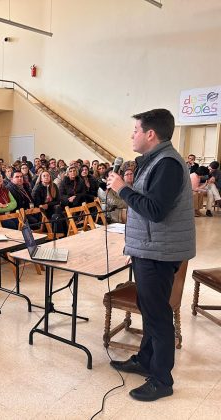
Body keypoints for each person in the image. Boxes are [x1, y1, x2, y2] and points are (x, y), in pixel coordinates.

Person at [107, 109, 195, 402]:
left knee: (158, 316)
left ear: (150, 134)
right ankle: (145, 360)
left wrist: (123, 189)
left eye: (135, 130)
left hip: (159, 251)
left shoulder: (167, 164)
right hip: (150, 248)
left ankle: (161, 379)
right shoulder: (156, 160)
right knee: (150, 309)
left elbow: (155, 211)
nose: (131, 135)